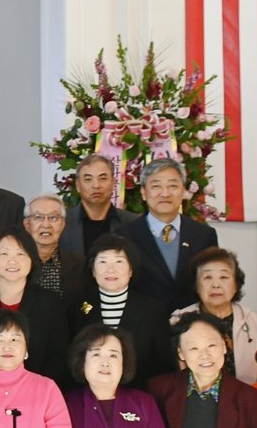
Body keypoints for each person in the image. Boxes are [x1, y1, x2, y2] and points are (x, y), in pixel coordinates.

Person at [0, 228, 71, 385]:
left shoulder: (50, 302)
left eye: (20, 254)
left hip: (36, 390)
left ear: (32, 258)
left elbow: (58, 355)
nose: (12, 261)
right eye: (4, 254)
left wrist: (36, 388)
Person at [68, 235, 172, 388]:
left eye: (119, 261)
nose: (111, 269)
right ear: (93, 270)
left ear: (131, 269)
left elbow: (164, 364)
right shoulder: (76, 307)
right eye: (102, 261)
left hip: (140, 392)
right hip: (86, 393)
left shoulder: (153, 310)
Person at [119, 158, 217, 314]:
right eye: (156, 186)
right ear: (143, 192)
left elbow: (212, 282)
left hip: (193, 323)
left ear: (183, 191)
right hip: (142, 323)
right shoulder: (124, 237)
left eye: (173, 186)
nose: (165, 193)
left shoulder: (204, 235)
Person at [172, 247, 257, 383]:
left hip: (247, 394)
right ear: (196, 285)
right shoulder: (177, 322)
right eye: (207, 277)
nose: (216, 285)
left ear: (236, 285)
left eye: (224, 277)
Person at [61, 152, 140, 259]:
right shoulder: (62, 223)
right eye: (88, 179)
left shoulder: (133, 224)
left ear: (114, 183)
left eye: (103, 178)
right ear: (78, 185)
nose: (96, 185)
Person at [24, 194, 87, 304]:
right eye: (38, 217)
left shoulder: (80, 265)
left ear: (63, 224)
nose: (46, 224)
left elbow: (85, 306)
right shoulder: (14, 264)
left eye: (53, 217)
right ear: (27, 224)